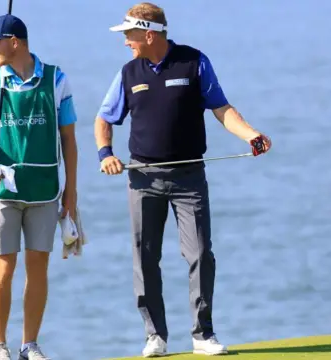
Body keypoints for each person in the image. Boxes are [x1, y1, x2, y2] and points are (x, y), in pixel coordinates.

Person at [94, 2, 271, 357]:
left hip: (189, 178)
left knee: (201, 253)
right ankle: (154, 336)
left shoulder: (194, 62)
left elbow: (221, 108)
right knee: (145, 258)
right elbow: (104, 119)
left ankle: (202, 335)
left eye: (129, 34)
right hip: (143, 178)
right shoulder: (129, 73)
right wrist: (106, 154)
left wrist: (251, 134)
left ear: (149, 33)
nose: (125, 41)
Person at [0, 13, 79, 360]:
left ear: (14, 42)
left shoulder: (56, 78)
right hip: (3, 190)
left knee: (38, 267)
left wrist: (71, 192)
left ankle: (29, 345)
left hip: (45, 188)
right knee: (3, 267)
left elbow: (69, 139)